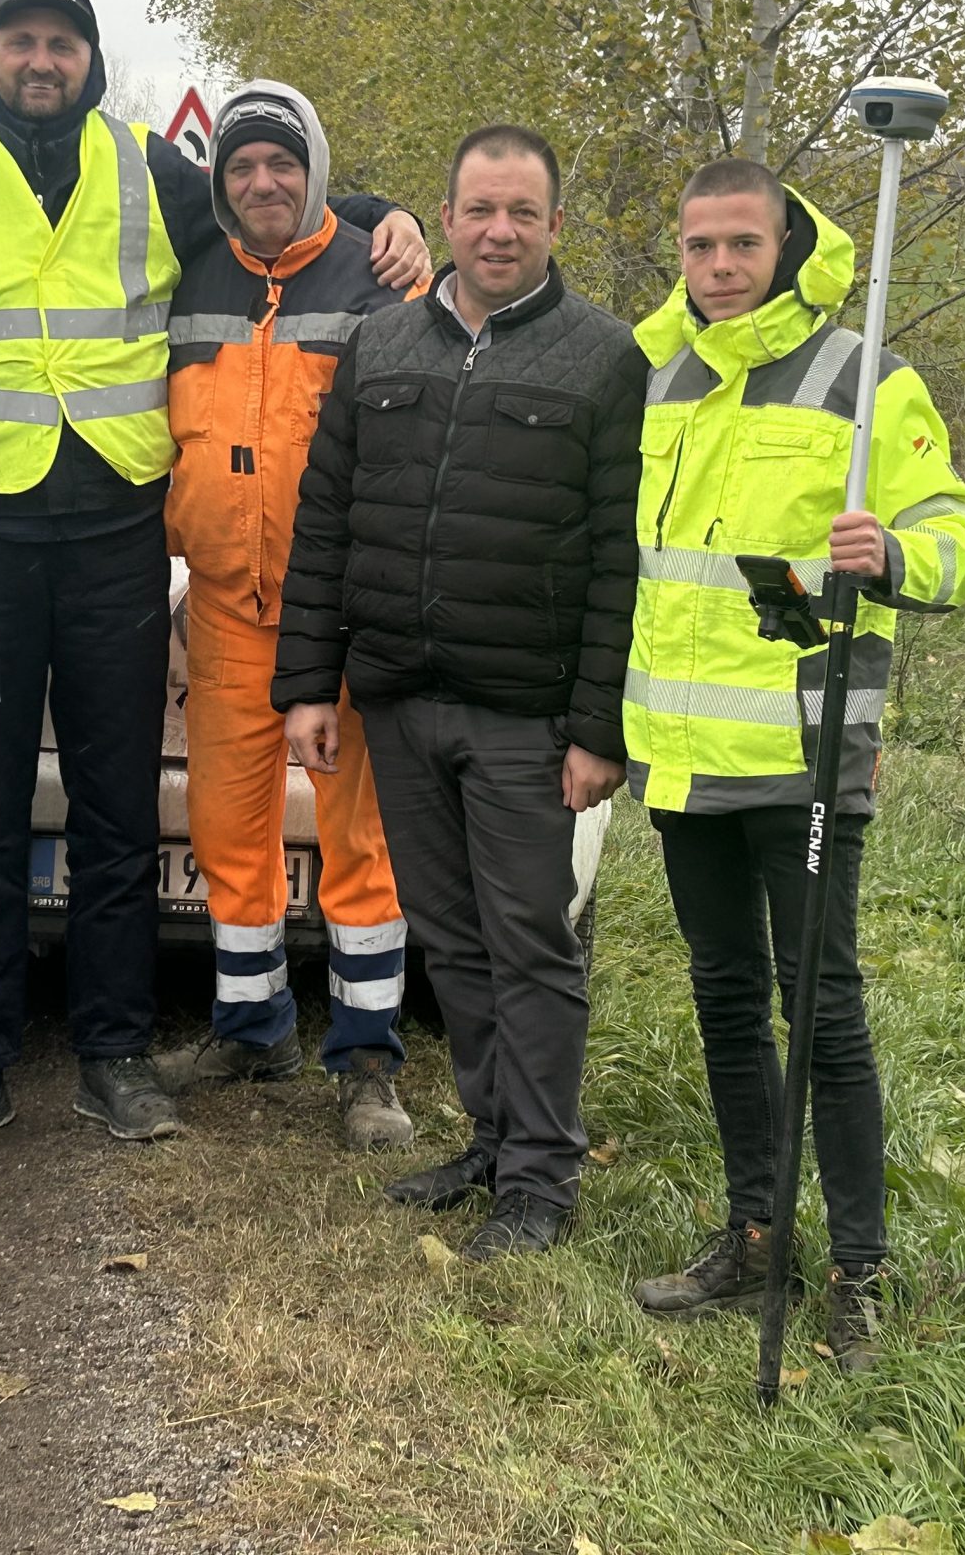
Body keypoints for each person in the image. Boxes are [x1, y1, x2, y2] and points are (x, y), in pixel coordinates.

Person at [0, 0, 429, 1158]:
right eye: (20, 40)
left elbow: (277, 211)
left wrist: (389, 213)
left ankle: (113, 1056)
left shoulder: (149, 169)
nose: (40, 60)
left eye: (62, 42)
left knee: (114, 815)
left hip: (110, 539)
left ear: (91, 61)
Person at [620, 158, 965, 1367]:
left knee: (822, 1010)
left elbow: (961, 535)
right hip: (683, 755)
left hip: (806, 750)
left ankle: (859, 1271)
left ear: (785, 245)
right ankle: (754, 1233)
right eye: (699, 246)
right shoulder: (658, 378)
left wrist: (895, 555)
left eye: (743, 244)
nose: (720, 267)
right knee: (724, 996)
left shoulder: (861, 379)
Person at [273, 125, 646, 1260]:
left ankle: (541, 1176)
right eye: (480, 210)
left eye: (522, 213)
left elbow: (619, 557)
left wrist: (597, 727)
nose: (499, 231)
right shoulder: (381, 343)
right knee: (451, 936)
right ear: (445, 218)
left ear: (554, 226)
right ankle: (489, 1140)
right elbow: (327, 520)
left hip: (527, 713)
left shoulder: (603, 358)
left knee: (529, 941)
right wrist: (309, 683)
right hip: (400, 699)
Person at [149, 83, 418, 1150]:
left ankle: (367, 1063)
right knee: (227, 831)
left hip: (345, 616)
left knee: (360, 841)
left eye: (283, 163)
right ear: (220, 180)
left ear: (314, 172)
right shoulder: (187, 278)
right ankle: (251, 1030)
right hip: (226, 608)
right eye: (242, 166)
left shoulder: (384, 279)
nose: (262, 183)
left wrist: (395, 217)